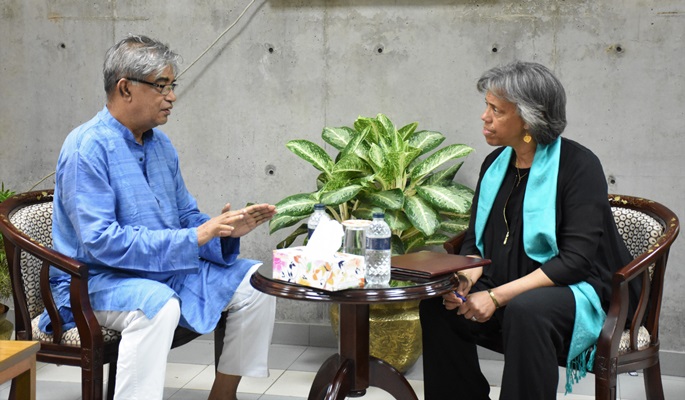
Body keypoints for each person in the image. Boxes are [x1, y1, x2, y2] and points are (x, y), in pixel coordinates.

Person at [40, 34, 277, 400]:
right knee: (158, 304)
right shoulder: (86, 147)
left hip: (161, 270)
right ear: (125, 88)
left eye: (172, 86)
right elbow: (101, 241)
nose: (172, 96)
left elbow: (185, 215)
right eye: (162, 86)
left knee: (255, 284)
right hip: (93, 282)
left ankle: (223, 395)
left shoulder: (161, 145)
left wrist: (223, 231)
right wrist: (194, 238)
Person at [419, 61, 633, 400]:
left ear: (529, 119)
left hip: (574, 289)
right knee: (437, 301)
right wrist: (466, 278)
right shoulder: (495, 164)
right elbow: (475, 240)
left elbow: (575, 262)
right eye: (486, 106)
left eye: (497, 110)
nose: (484, 117)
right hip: (507, 278)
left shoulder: (579, 166)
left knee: (526, 310)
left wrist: (495, 297)